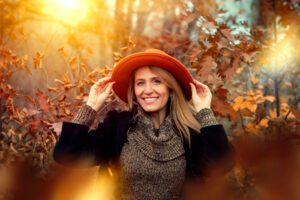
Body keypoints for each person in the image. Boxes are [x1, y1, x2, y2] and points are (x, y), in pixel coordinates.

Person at [53, 49, 232, 200]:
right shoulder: (117, 127)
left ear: (170, 88)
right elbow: (67, 155)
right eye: (140, 83)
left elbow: (222, 164)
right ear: (134, 91)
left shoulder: (189, 132)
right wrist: (90, 106)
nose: (147, 90)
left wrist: (205, 112)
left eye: (156, 81)